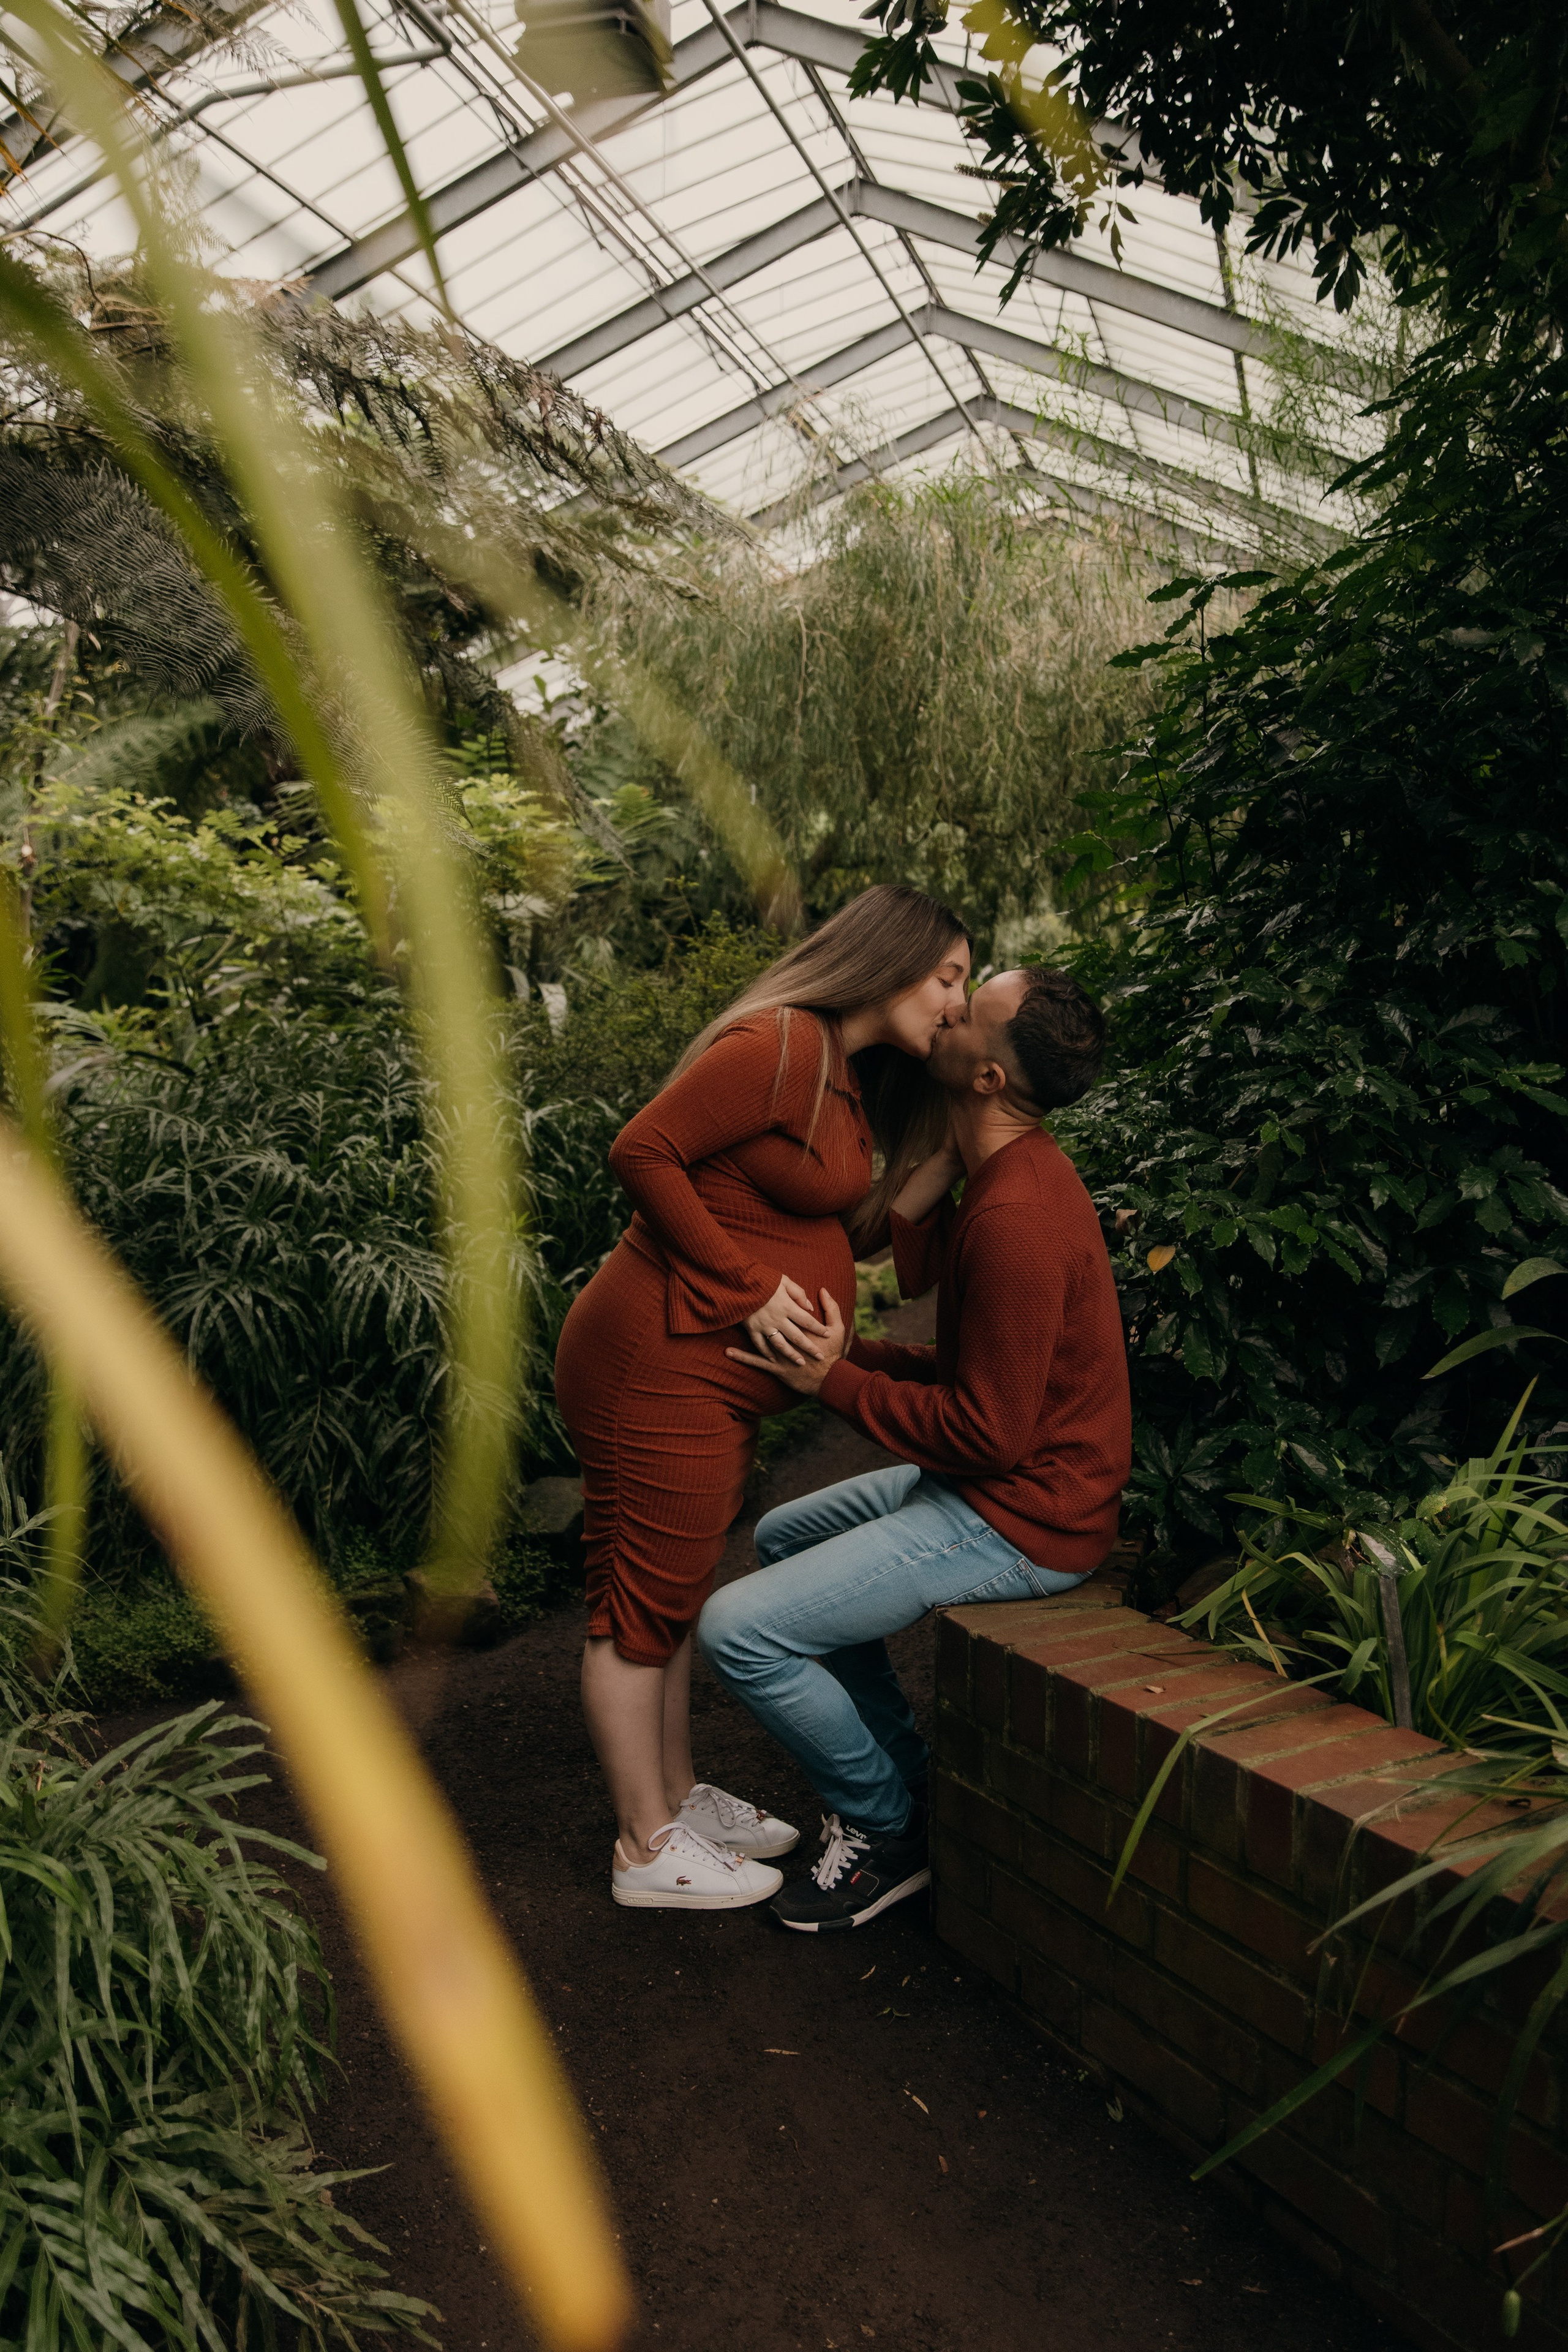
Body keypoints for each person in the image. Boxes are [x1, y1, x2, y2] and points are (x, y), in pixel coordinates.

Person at [554, 884, 973, 1911]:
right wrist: (747, 1290)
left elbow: (845, 1231)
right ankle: (645, 1847)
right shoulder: (781, 1044)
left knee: (674, 1582)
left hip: (697, 1369)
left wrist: (954, 1159)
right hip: (656, 1357)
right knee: (639, 1600)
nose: (958, 1004)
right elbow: (641, 1151)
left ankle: (674, 1796)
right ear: (892, 961)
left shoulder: (841, 1075)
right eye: (950, 978)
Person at [698, 964, 1130, 1932]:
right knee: (782, 1538)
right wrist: (863, 1348)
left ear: (987, 1077)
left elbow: (990, 1430)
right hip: (993, 1483)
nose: (948, 1006)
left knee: (739, 1630)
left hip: (1023, 1516)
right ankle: (908, 1776)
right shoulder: (1010, 1170)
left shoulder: (1019, 1216)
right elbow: (932, 1285)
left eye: (970, 1009)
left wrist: (833, 1382)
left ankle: (885, 1829)